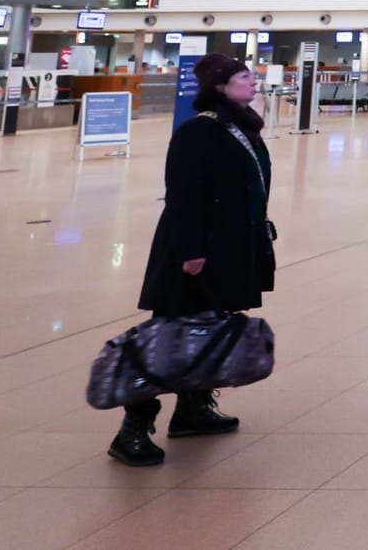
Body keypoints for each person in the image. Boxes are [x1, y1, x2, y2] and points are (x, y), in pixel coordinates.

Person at [108, 53, 276, 467]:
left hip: (228, 248)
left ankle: (192, 409)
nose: (252, 83)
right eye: (243, 77)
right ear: (220, 86)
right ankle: (132, 428)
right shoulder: (199, 131)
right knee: (168, 337)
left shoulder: (238, 128)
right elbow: (181, 195)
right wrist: (191, 251)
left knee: (209, 328)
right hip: (196, 252)